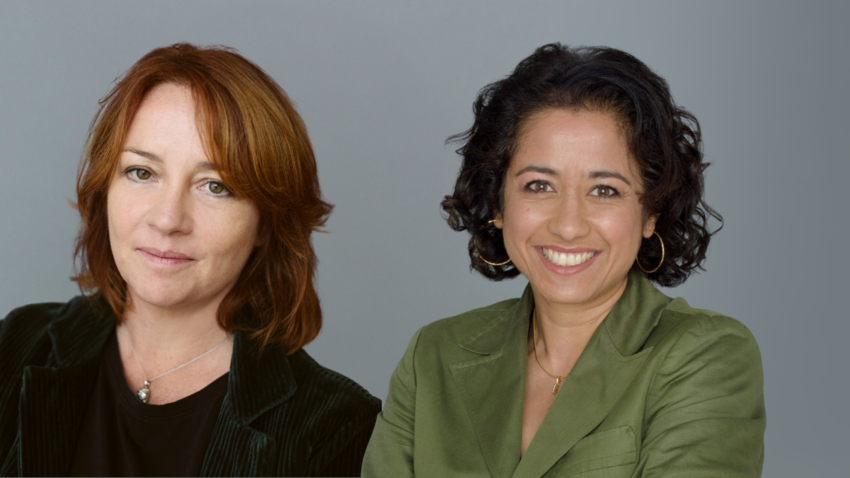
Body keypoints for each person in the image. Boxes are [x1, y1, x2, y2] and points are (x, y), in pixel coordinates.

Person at [363, 44, 765, 477]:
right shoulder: (433, 357)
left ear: (651, 212)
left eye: (605, 190)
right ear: (497, 203)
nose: (569, 225)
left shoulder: (707, 356)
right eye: (539, 186)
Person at [0, 43, 380, 477]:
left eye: (215, 186)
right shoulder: (16, 347)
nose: (167, 220)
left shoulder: (335, 429)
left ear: (265, 224)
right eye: (142, 172)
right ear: (105, 189)